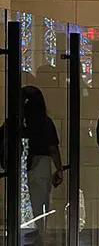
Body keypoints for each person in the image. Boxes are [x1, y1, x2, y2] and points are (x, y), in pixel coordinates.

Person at [22, 85, 64, 231]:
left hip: (23, 163)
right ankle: (41, 230)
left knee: (30, 200)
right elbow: (53, 148)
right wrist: (59, 169)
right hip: (42, 163)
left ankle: (36, 229)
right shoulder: (45, 122)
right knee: (42, 200)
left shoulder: (17, 122)